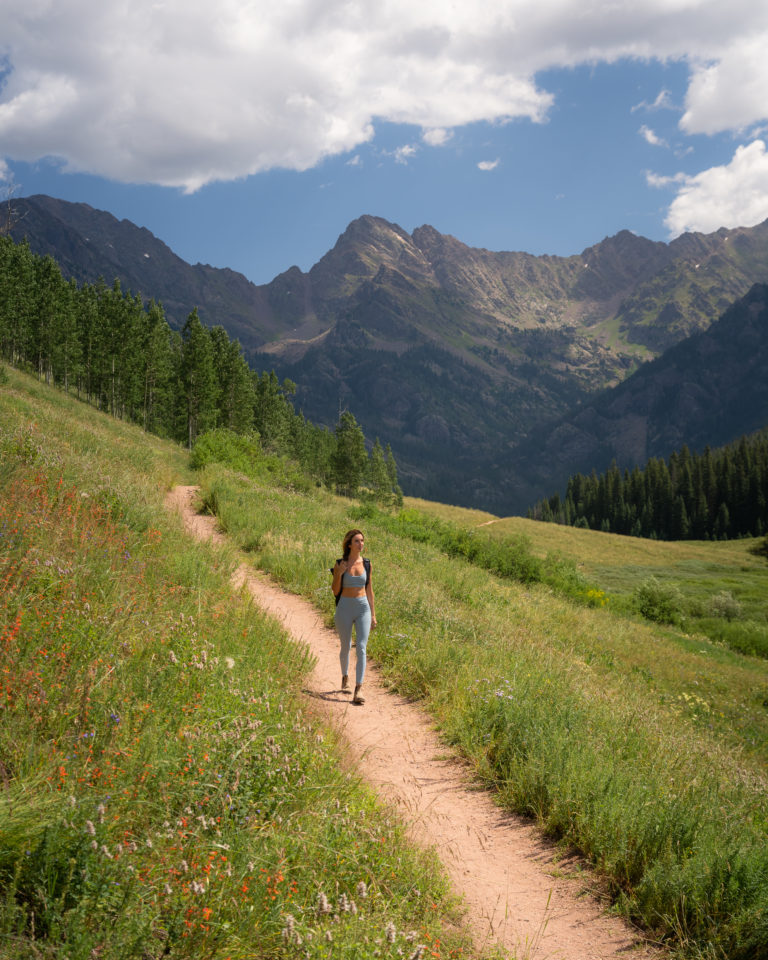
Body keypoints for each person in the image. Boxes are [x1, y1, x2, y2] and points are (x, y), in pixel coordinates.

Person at [331, 528, 376, 704]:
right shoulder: (340, 564)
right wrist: (340, 574)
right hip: (344, 607)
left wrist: (373, 614)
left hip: (363, 607)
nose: (361, 544)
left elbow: (370, 591)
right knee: (346, 646)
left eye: (362, 540)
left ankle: (359, 689)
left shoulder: (367, 564)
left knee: (362, 647)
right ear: (349, 544)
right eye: (357, 541)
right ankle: (345, 677)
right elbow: (335, 591)